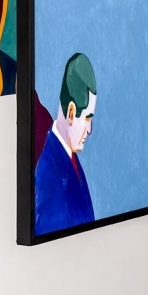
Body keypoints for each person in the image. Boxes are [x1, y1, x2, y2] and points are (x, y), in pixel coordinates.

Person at [34, 53, 98, 235]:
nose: (90, 129)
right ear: (71, 112)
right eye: (87, 118)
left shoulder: (68, 157)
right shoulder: (47, 176)